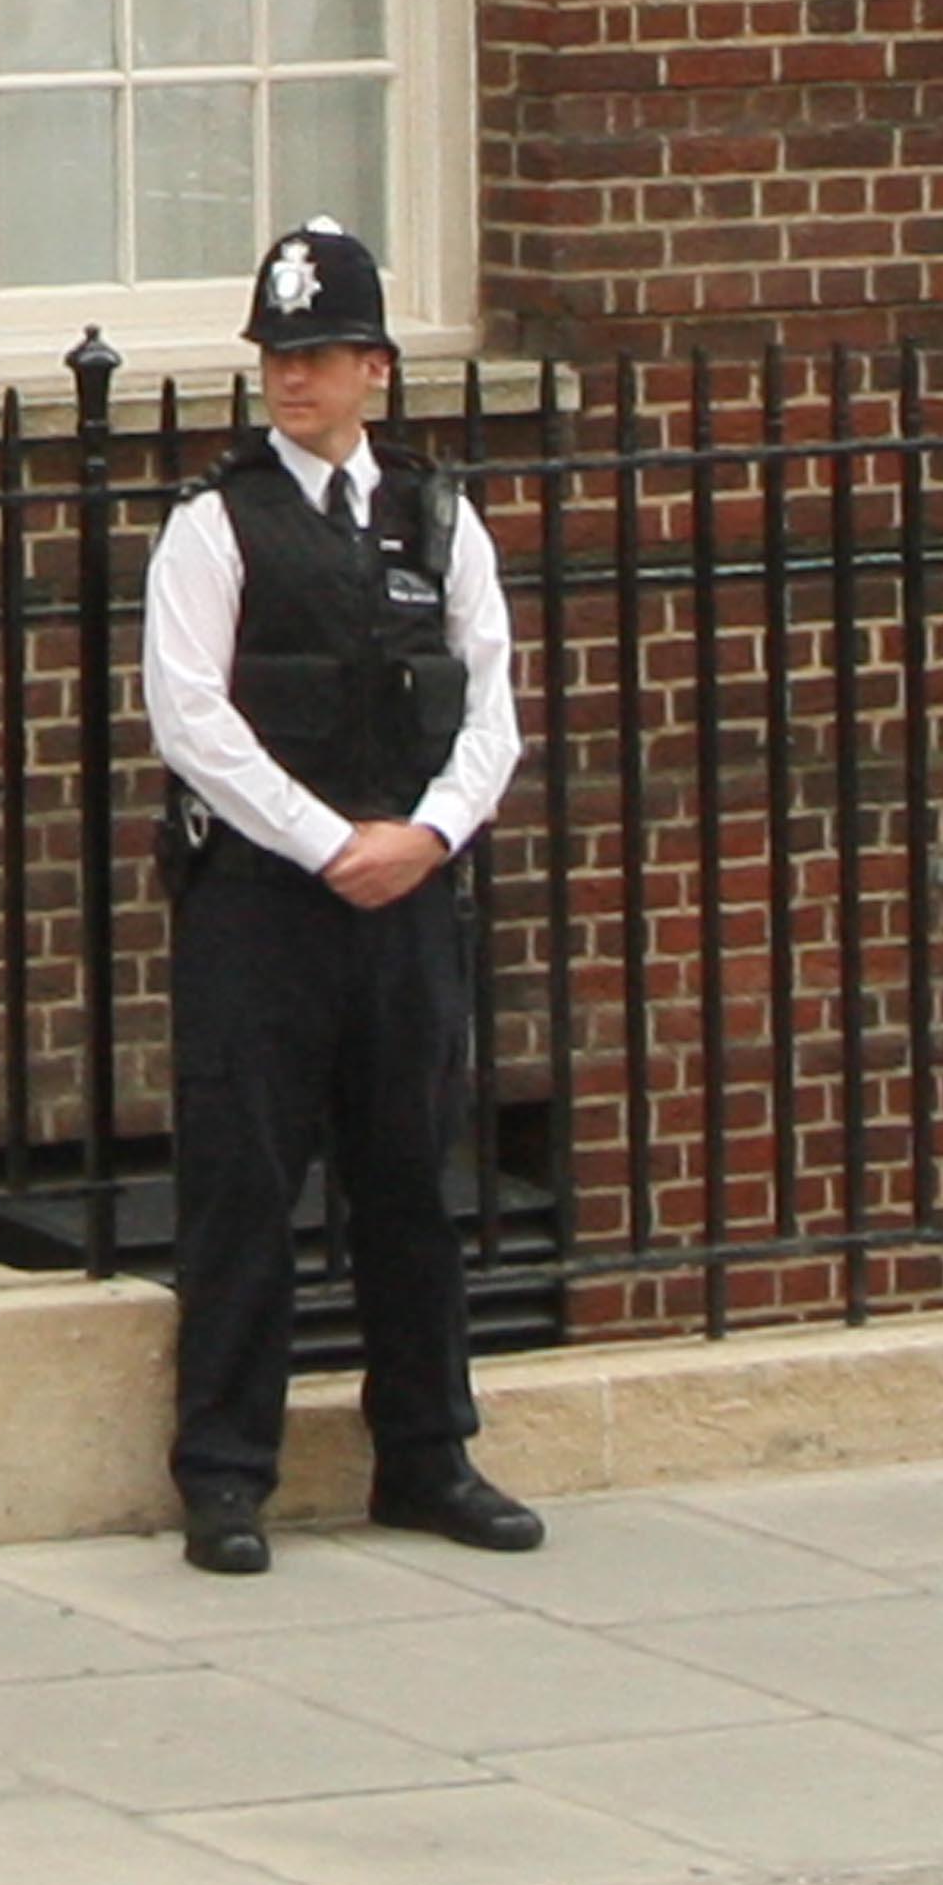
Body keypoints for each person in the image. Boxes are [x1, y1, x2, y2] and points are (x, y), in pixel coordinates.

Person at [139, 219, 542, 1576]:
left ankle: (427, 1457)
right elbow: (191, 720)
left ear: (375, 365)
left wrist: (425, 837)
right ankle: (226, 1475)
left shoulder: (437, 515)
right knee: (245, 1184)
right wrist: (329, 845)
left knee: (409, 1184)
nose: (293, 382)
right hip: (263, 904)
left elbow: (492, 707)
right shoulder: (214, 524)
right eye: (277, 357)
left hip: (408, 899)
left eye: (317, 356)